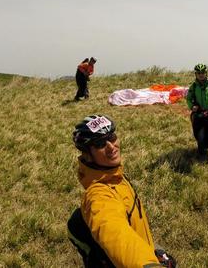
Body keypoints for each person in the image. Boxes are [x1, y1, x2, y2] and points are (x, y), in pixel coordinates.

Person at [68, 114, 176, 268]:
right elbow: (116, 234)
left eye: (112, 137)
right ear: (87, 155)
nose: (111, 147)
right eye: (99, 143)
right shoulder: (98, 196)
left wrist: (153, 250)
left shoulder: (113, 175)